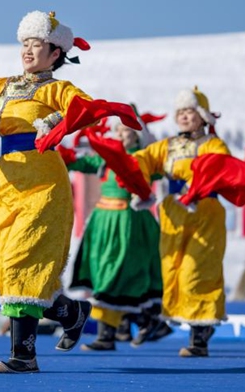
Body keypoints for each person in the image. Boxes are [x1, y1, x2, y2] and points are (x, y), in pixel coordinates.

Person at [0, 10, 107, 373]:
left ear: (55, 53)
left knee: (23, 264)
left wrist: (59, 121)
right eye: (25, 44)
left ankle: (24, 355)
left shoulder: (56, 89)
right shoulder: (1, 86)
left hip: (44, 183)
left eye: (37, 44)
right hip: (9, 183)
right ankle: (72, 312)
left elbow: (86, 109)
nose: (28, 50)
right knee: (7, 265)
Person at [131, 87, 230, 358]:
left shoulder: (213, 144)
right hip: (174, 213)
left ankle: (199, 335)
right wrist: (140, 188)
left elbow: (221, 167)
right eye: (181, 112)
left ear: (202, 116)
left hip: (205, 213)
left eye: (190, 111)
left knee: (196, 271)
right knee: (173, 270)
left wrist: (198, 188)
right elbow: (141, 159)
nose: (185, 117)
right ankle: (198, 327)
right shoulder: (168, 145)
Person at [62, 119, 167, 352]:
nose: (122, 134)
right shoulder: (105, 156)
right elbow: (81, 163)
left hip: (129, 221)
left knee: (117, 275)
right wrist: (57, 153)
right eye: (119, 129)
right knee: (102, 275)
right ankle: (109, 334)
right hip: (103, 221)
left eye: (128, 130)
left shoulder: (145, 157)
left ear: (138, 135)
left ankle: (141, 322)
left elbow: (167, 170)